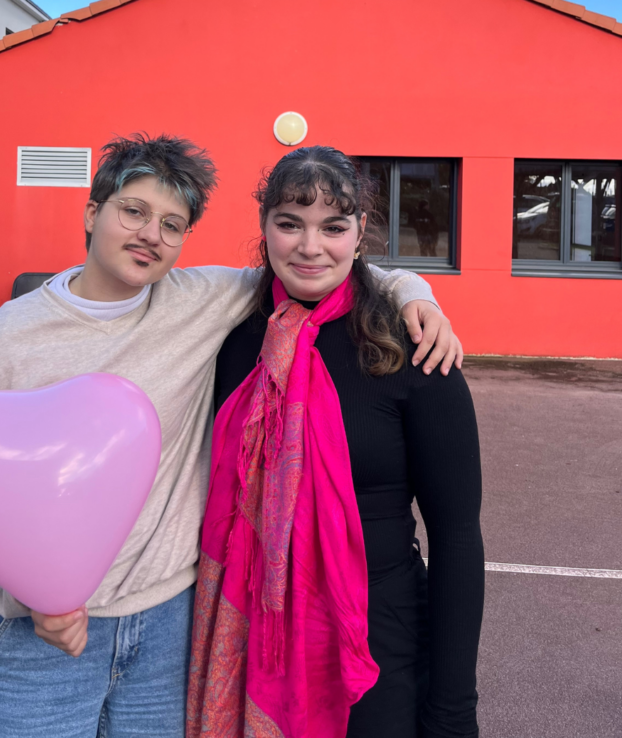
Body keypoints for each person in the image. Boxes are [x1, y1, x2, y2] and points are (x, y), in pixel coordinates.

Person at [0, 135, 462, 737]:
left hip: (169, 630)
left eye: (172, 224)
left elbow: (327, 266)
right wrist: (28, 598)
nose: (150, 234)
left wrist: (413, 290)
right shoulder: (4, 342)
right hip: (43, 635)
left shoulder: (200, 302)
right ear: (91, 212)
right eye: (133, 211)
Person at [188, 146, 484, 738]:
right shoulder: (233, 338)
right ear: (264, 225)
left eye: (333, 227)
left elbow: (455, 538)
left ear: (361, 231)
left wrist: (453, 712)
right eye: (289, 223)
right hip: (244, 632)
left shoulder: (414, 350)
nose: (310, 246)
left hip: (375, 644)